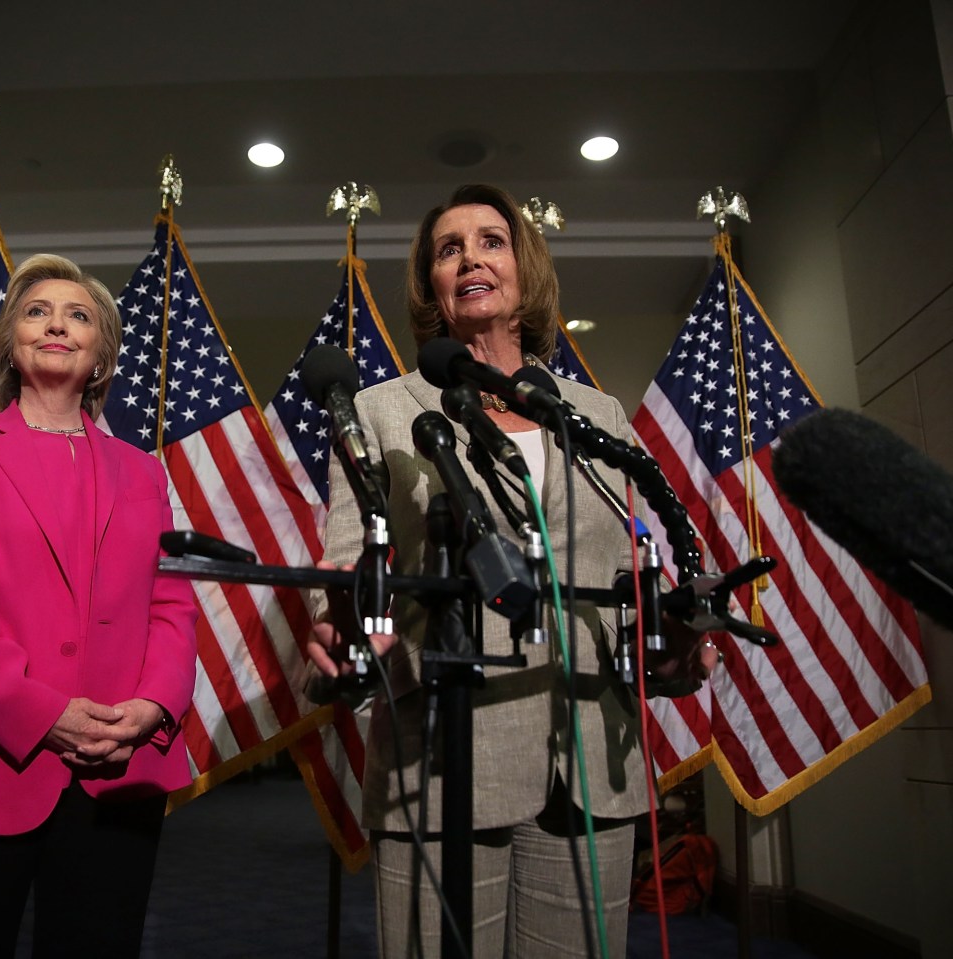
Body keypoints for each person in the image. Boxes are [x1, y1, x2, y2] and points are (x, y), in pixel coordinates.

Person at [304, 184, 718, 957]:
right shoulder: (383, 412)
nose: (470, 259)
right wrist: (344, 617)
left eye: (490, 241)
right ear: (432, 284)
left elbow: (628, 571)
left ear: (524, 269)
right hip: (442, 755)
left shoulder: (599, 417)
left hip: (592, 756)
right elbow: (351, 551)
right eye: (448, 249)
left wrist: (668, 639)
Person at [0, 254, 199, 958]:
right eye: (37, 311)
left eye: (78, 314)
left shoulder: (144, 472)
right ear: (8, 345)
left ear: (102, 352)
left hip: (116, 762)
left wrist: (156, 705)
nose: (57, 322)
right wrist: (41, 712)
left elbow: (172, 603)